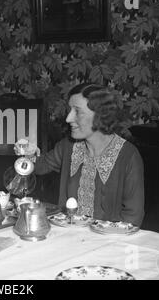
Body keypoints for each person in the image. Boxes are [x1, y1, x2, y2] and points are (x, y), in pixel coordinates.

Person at [34, 83, 144, 226]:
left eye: (77, 111)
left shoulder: (128, 155)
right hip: (67, 239)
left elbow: (133, 217)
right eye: (69, 110)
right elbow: (39, 166)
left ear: (100, 115)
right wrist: (26, 157)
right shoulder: (68, 146)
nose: (68, 118)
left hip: (109, 244)